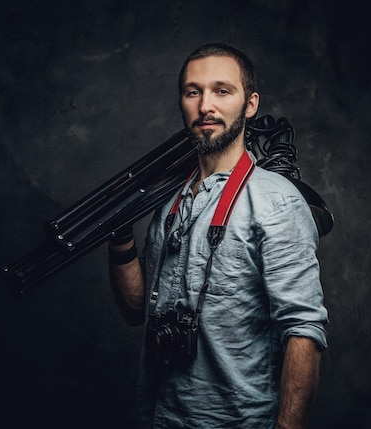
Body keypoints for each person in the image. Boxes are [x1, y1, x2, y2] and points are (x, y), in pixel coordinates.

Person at [108, 43, 329, 429]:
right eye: (193, 91)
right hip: (158, 416)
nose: (205, 105)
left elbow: (303, 330)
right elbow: (135, 309)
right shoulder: (168, 200)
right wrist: (119, 235)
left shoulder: (276, 202)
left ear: (250, 104)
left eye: (222, 91)